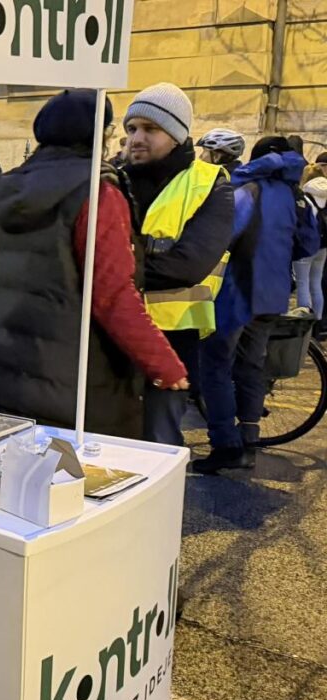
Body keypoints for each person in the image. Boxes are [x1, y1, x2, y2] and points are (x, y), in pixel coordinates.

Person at [0, 89, 188, 438]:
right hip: (71, 383)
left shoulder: (14, 187)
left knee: (12, 470)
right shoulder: (96, 193)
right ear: (99, 134)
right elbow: (113, 294)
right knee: (77, 472)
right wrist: (164, 364)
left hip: (0, 372)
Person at [193, 137, 320, 472]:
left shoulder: (249, 191)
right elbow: (308, 244)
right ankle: (249, 440)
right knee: (252, 366)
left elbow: (223, 235)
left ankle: (226, 445)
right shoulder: (296, 195)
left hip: (239, 290)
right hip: (274, 294)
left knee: (215, 365)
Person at [122, 82, 236, 445]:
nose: (136, 139)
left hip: (171, 337)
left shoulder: (210, 183)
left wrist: (112, 277)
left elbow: (189, 265)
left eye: (150, 129)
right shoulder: (114, 177)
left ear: (177, 134)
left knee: (158, 443)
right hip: (111, 331)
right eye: (131, 128)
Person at [299, 164, 327, 325]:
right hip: (324, 244)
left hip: (307, 243)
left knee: (303, 283)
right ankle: (317, 322)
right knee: (316, 283)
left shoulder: (304, 195)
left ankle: (304, 323)